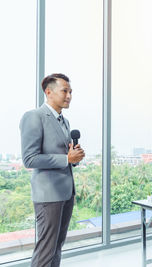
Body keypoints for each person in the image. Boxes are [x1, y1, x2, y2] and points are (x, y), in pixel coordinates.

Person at [20, 73, 85, 267]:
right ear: (49, 92)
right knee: (46, 249)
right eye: (65, 91)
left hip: (66, 192)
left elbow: (65, 158)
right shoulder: (34, 117)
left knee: (57, 246)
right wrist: (65, 158)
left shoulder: (65, 121)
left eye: (71, 92)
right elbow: (29, 159)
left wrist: (74, 158)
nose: (69, 96)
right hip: (48, 195)